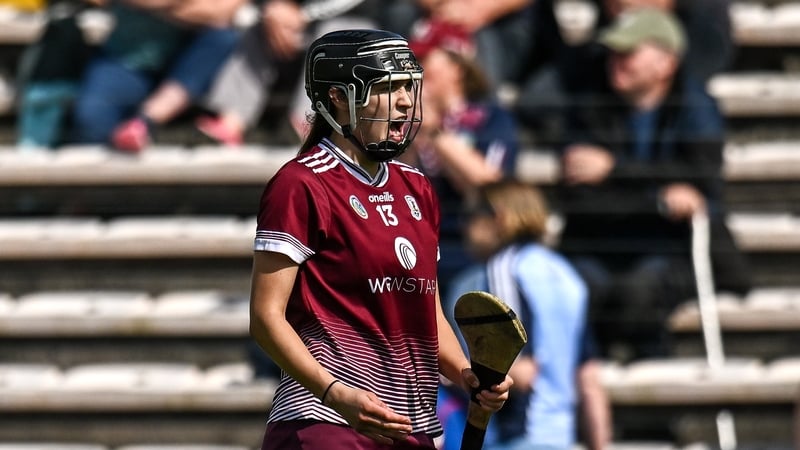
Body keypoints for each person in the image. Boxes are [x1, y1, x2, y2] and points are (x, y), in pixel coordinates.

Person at [248, 29, 513, 449]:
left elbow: (427, 312)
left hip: (412, 428)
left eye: (409, 86)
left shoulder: (417, 188)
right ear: (338, 97)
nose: (406, 101)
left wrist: (466, 374)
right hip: (326, 425)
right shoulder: (301, 184)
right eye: (389, 88)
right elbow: (265, 317)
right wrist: (335, 394)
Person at [555, 7, 751, 362]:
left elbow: (702, 181)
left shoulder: (696, 107)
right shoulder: (589, 105)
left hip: (671, 250)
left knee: (642, 289)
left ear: (666, 63)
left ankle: (648, 385)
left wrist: (614, 171)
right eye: (613, 53)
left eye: (628, 53)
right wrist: (660, 200)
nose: (616, 62)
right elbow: (580, 199)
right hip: (601, 248)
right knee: (577, 286)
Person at [439, 179, 612, 450]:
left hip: (515, 438)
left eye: (470, 215)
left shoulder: (503, 269)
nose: (463, 226)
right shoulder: (566, 274)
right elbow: (588, 379)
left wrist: (448, 373)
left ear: (498, 217)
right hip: (559, 440)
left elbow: (519, 372)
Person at [399, 20, 519, 295]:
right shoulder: (404, 122)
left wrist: (434, 132)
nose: (414, 69)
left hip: (470, 252)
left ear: (457, 67)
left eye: (424, 59)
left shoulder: (490, 118)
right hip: (413, 248)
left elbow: (488, 184)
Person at [196, 0, 378, 146]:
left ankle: (308, 126)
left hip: (355, 29)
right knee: (258, 31)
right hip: (301, 28)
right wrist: (270, 11)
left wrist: (303, 14)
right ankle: (231, 123)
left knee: (334, 35)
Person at [70, 0, 243, 152]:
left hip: (189, 66)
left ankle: (145, 121)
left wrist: (158, 8)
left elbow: (221, 13)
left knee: (223, 38)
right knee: (92, 120)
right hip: (128, 60)